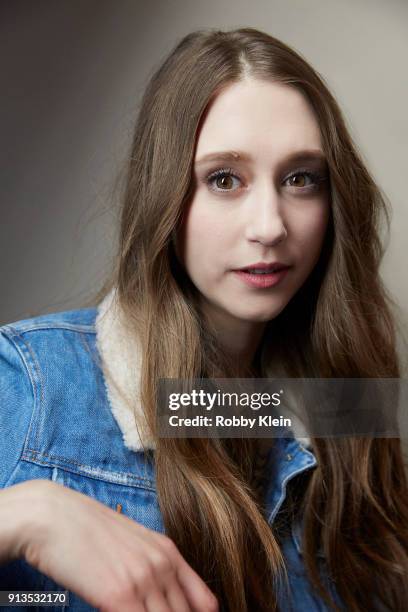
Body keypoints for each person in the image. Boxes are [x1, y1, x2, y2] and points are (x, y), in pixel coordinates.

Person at [0, 26, 407, 612]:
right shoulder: (34, 383)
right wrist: (25, 517)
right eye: (223, 179)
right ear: (164, 195)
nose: (269, 226)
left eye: (300, 179)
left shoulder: (342, 409)